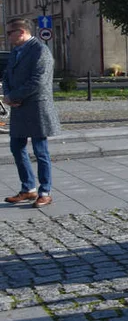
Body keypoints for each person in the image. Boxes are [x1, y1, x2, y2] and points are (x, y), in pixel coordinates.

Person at [3, 18, 60, 209]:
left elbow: (39, 81)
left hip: (37, 107)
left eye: (10, 33)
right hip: (19, 107)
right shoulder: (16, 52)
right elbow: (7, 75)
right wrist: (9, 95)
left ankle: (45, 192)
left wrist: (15, 96)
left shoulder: (40, 51)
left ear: (21, 32)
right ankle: (28, 188)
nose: (7, 36)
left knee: (40, 150)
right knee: (16, 147)